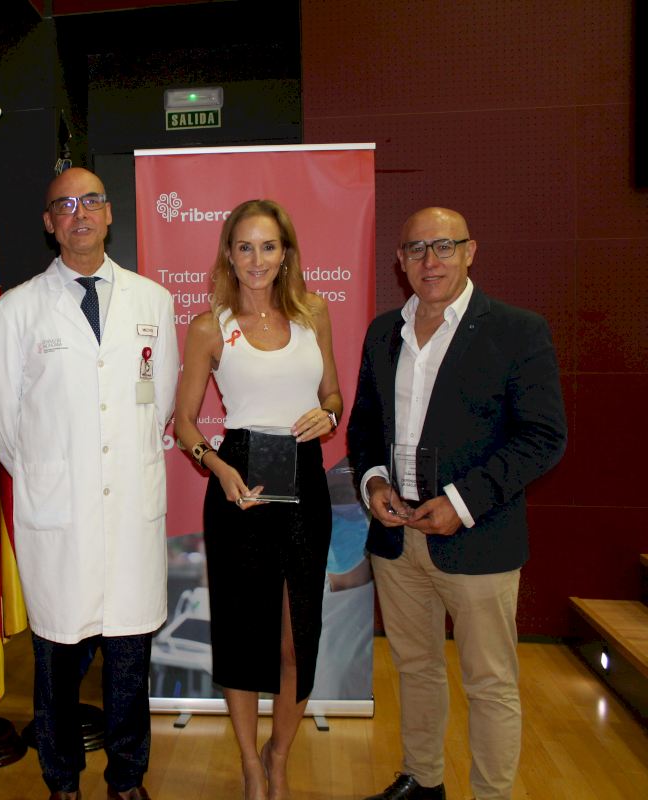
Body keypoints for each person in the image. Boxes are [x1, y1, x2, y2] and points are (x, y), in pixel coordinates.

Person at [347, 207, 566, 800]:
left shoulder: (517, 331)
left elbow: (543, 437)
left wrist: (462, 502)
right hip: (398, 537)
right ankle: (423, 781)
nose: (431, 260)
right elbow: (365, 426)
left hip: (478, 535)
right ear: (400, 261)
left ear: (471, 252)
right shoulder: (383, 332)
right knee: (414, 669)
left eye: (444, 246)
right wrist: (373, 483)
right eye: (417, 249)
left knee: (489, 683)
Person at [0, 167, 179, 800]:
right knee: (58, 659)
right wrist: (49, 474)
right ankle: (62, 780)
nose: (79, 213)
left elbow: (160, 400)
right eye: (64, 205)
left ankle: (127, 779)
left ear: (109, 213)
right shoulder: (16, 309)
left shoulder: (153, 301)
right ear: (49, 223)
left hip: (130, 510)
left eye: (91, 200)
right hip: (58, 515)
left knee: (129, 656)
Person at [173, 199, 341, 800]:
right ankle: (249, 762)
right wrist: (216, 466)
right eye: (244, 247)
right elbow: (184, 423)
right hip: (239, 481)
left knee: (297, 636)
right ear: (228, 254)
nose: (256, 259)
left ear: (286, 252)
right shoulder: (208, 327)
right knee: (244, 635)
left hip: (304, 479)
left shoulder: (314, 313)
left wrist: (328, 415)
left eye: (268, 246)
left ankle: (279, 756)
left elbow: (333, 394)